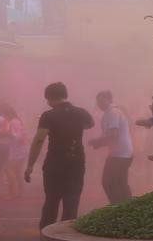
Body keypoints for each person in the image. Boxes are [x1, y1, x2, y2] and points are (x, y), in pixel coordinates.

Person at [25, 82, 95, 230]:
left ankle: (47, 232)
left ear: (50, 97)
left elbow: (39, 139)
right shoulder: (81, 112)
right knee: (72, 201)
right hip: (76, 162)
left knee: (52, 200)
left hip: (54, 163)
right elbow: (90, 124)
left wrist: (30, 165)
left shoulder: (48, 115)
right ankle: (67, 235)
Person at [91, 90, 133, 204]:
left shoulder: (113, 113)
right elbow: (111, 135)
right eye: (98, 102)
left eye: (102, 101)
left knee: (109, 182)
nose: (100, 104)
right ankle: (126, 207)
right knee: (119, 182)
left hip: (120, 154)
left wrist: (98, 142)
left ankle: (118, 206)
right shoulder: (111, 112)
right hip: (120, 153)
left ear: (110, 100)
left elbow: (113, 135)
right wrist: (99, 143)